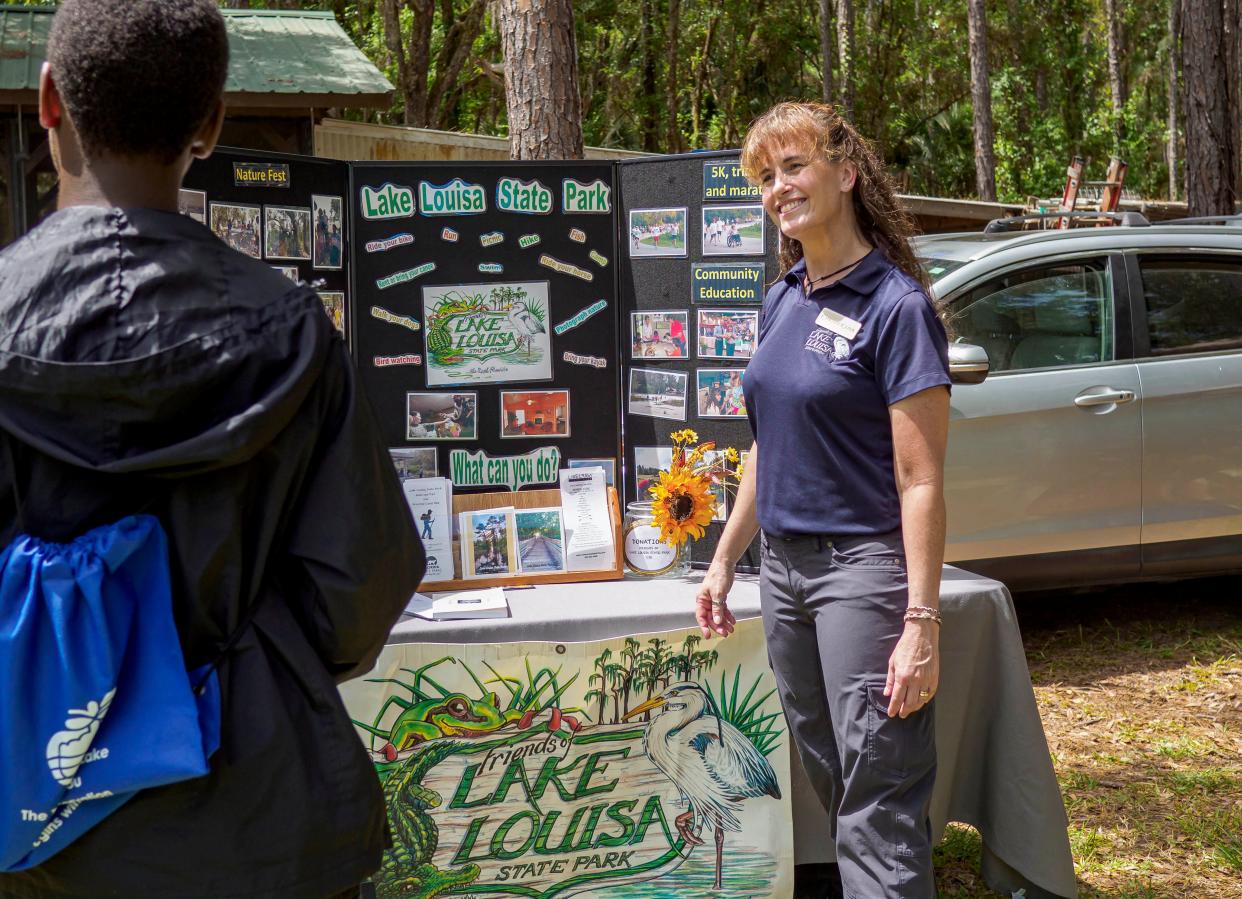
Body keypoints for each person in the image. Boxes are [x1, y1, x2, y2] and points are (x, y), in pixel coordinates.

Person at [0, 2, 425, 897]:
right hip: (253, 809)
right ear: (211, 124)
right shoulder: (292, 332)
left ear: (47, 101)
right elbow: (357, 591)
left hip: (33, 815)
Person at [694, 101, 950, 898]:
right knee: (836, 776)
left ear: (846, 173)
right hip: (785, 574)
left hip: (861, 574)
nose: (779, 187)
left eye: (794, 166)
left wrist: (921, 621)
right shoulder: (783, 298)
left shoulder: (895, 306)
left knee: (879, 787)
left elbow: (922, 478)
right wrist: (724, 561)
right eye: (766, 177)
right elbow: (768, 448)